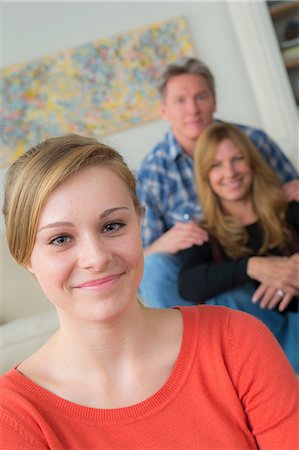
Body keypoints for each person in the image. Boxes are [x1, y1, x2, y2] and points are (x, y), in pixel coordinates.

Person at [1, 134, 298, 449]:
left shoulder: (237, 341)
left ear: (139, 221)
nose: (97, 258)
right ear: (24, 256)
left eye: (112, 226)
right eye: (60, 239)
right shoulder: (14, 416)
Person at [137, 57, 299, 309]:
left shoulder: (254, 140)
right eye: (180, 101)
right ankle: (186, 343)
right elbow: (139, 258)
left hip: (273, 256)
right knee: (156, 267)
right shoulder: (153, 173)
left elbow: (292, 198)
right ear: (164, 110)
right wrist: (162, 244)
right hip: (211, 275)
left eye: (201, 97)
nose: (192, 109)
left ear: (214, 101)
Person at [178, 122, 299, 373]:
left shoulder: (287, 208)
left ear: (252, 163)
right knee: (224, 299)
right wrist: (253, 267)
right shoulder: (204, 232)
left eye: (238, 159)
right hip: (263, 343)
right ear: (205, 176)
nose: (230, 172)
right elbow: (188, 284)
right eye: (216, 165)